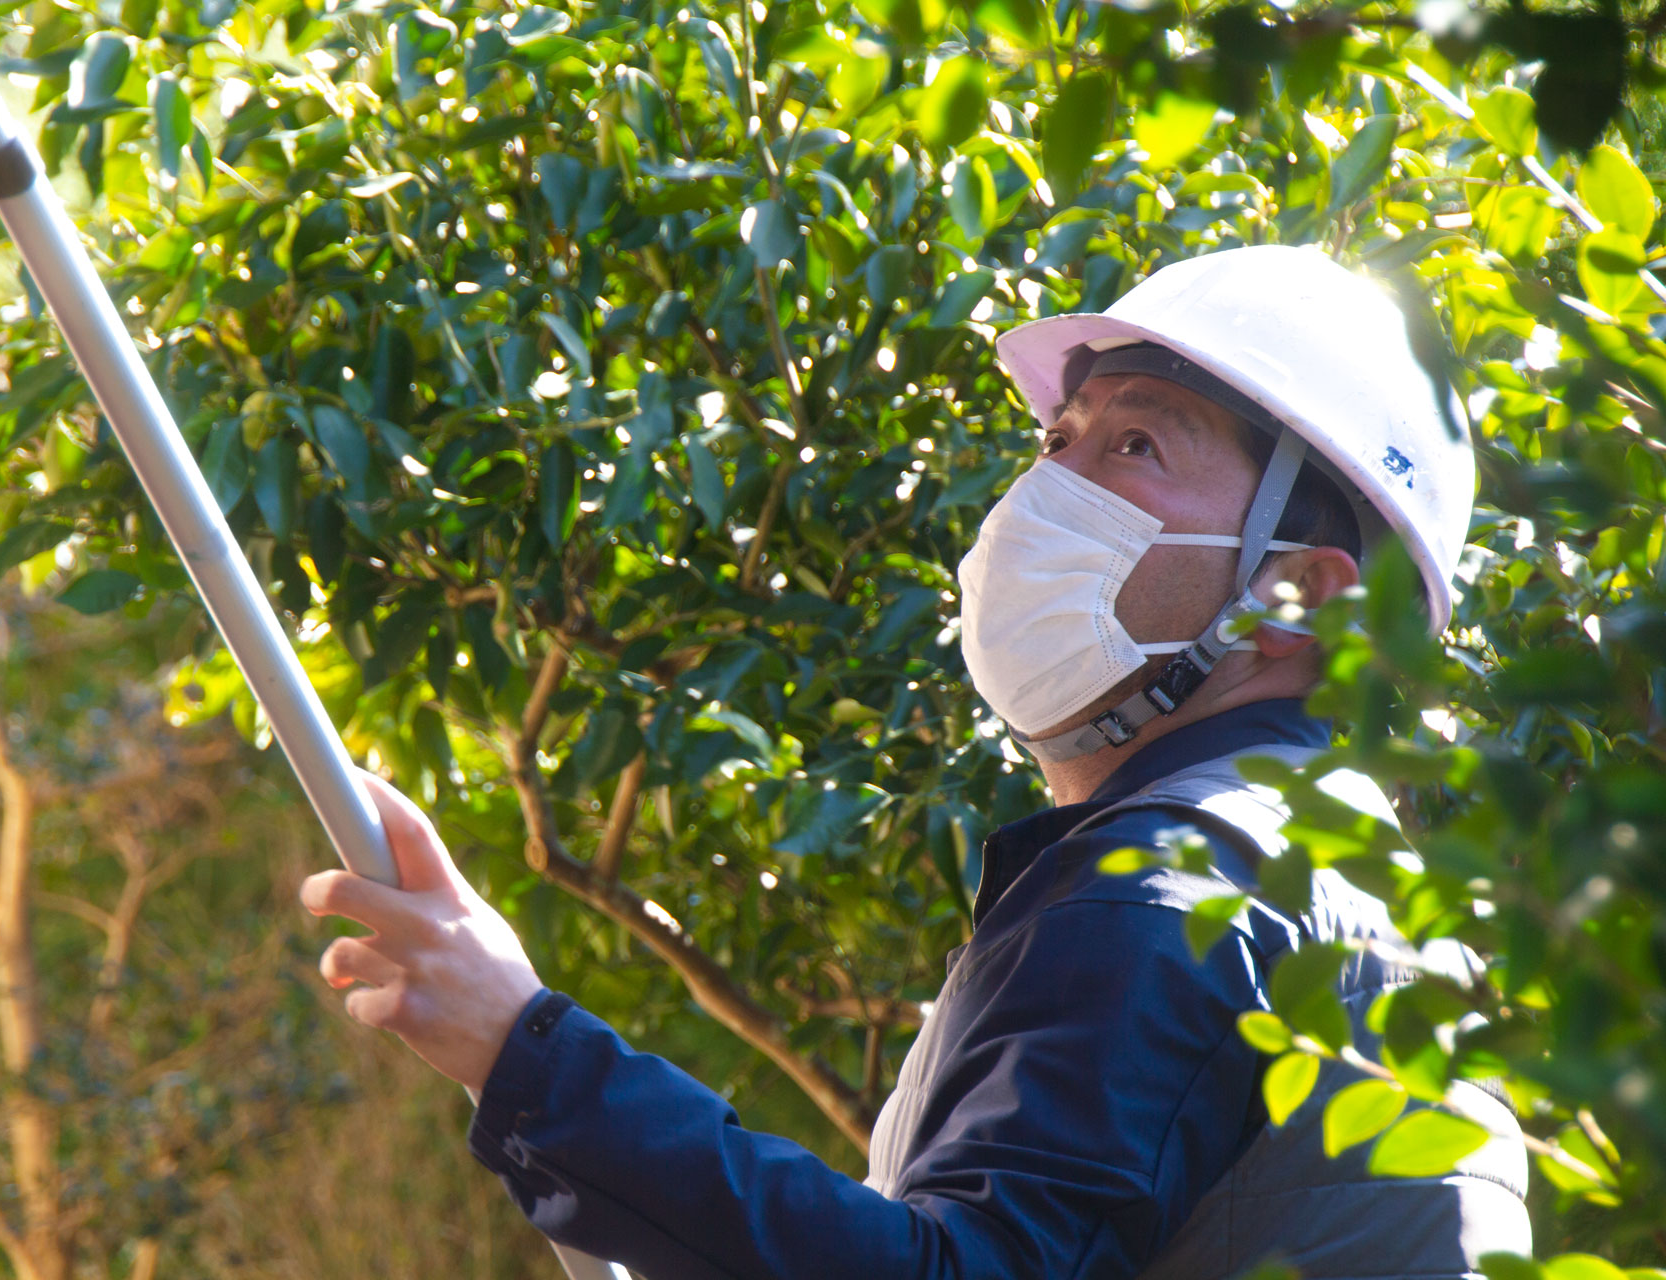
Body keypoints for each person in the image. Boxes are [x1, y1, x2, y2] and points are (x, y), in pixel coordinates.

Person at [299, 246, 1534, 1279]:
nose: (1046, 486)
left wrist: (527, 1049)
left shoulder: (1176, 884)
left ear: (1302, 596)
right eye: (1059, 436)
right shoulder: (1353, 891)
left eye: (1136, 448)